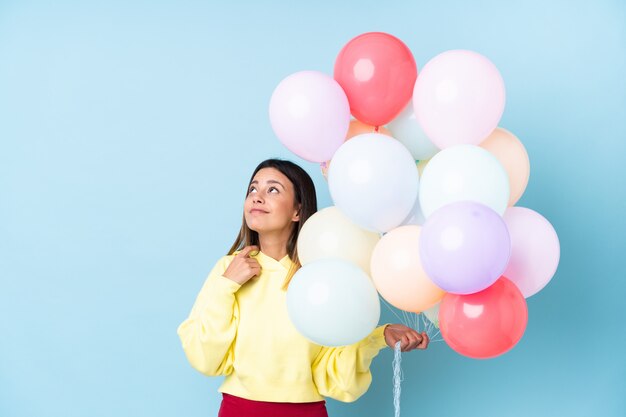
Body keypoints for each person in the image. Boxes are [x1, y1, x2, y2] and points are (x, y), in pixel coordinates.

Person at [177, 158, 429, 417]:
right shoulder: (229, 269)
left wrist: (377, 337)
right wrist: (225, 286)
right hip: (238, 409)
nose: (257, 197)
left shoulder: (321, 276)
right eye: (253, 189)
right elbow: (204, 357)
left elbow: (334, 375)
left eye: (272, 189)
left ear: (297, 211)